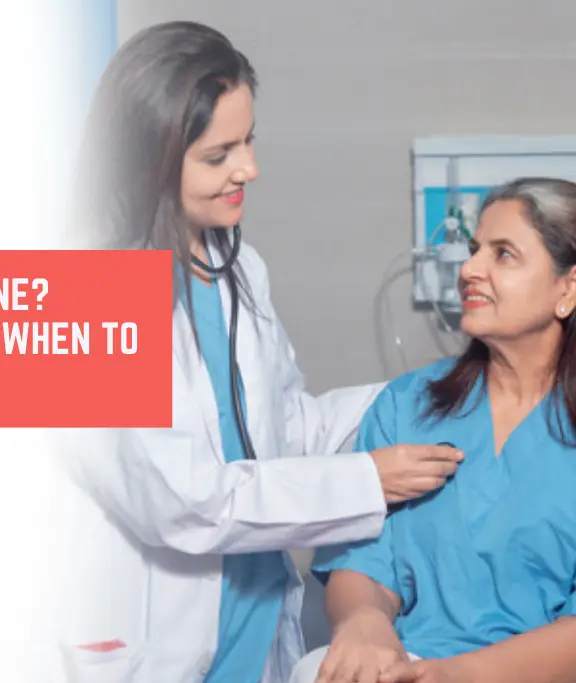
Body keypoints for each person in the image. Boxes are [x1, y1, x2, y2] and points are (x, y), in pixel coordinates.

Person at [51, 20, 464, 683]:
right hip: (152, 643)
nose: (250, 168)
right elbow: (181, 499)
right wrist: (366, 480)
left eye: (248, 141)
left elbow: (287, 427)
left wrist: (435, 388)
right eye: (219, 155)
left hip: (253, 629)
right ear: (148, 158)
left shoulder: (238, 269)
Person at [290, 177, 576, 683]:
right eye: (474, 249)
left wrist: (459, 674)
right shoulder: (407, 405)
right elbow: (364, 558)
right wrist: (364, 620)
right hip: (409, 667)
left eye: (503, 254)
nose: (469, 269)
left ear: (567, 289)